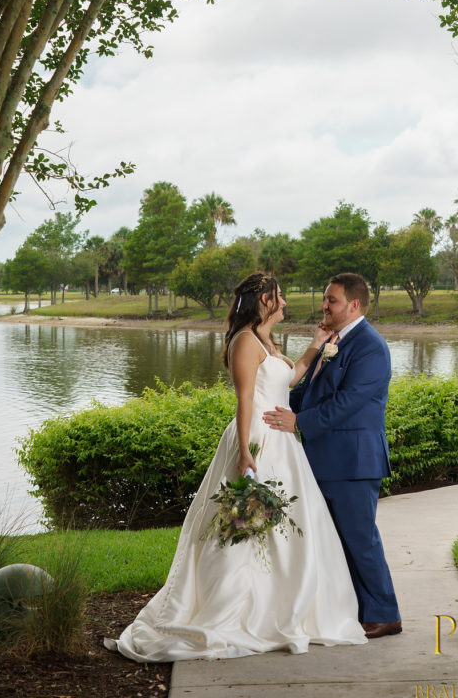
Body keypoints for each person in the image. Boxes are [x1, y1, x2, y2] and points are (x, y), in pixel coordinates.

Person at [105, 272, 366, 662]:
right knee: (247, 528)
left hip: (283, 441)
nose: (284, 303)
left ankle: (285, 603)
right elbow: (246, 400)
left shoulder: (265, 340)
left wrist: (313, 348)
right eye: (279, 297)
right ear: (265, 300)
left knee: (288, 528)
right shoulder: (245, 341)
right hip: (259, 438)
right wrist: (245, 452)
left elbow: (286, 380)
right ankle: (237, 608)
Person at [264, 272, 401, 639]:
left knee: (360, 540)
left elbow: (348, 403)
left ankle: (386, 614)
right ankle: (355, 611)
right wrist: (273, 404)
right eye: (325, 299)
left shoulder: (370, 347)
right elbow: (311, 393)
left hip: (353, 462)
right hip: (327, 459)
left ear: (354, 305)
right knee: (335, 542)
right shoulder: (334, 341)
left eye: (332, 300)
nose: (324, 305)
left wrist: (299, 423)